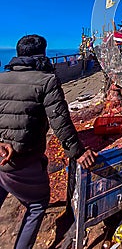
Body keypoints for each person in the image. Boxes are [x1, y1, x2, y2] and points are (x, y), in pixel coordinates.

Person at [0, 34, 97, 249]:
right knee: (37, 204)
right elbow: (60, 122)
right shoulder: (47, 81)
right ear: (41, 55)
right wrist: (78, 152)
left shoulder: (0, 78)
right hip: (22, 159)